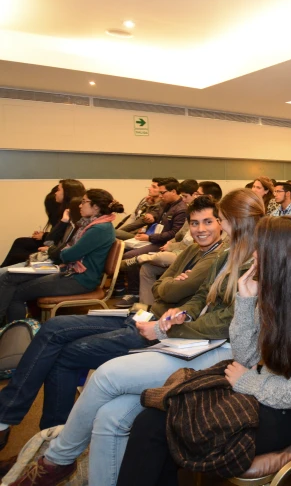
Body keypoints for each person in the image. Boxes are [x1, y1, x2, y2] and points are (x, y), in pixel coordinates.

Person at [8, 189, 265, 486]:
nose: (214, 227)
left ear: (235, 221)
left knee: (105, 376)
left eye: (219, 220)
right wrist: (183, 313)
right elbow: (198, 296)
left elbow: (226, 322)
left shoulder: (256, 261)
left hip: (223, 350)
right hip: (196, 337)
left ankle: (56, 460)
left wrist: (166, 327)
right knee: (110, 416)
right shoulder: (229, 253)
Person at [116, 217, 291, 485]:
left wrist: (247, 382)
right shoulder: (277, 291)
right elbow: (245, 357)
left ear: (279, 255)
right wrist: (245, 300)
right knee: (155, 420)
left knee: (163, 427)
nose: (253, 254)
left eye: (258, 248)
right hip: (261, 392)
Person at [0, 196, 223, 443]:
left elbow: (169, 292)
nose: (200, 229)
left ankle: (50, 439)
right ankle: (6, 416)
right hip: (142, 314)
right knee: (53, 327)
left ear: (221, 223)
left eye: (207, 222)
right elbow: (160, 287)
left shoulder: (217, 257)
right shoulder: (192, 249)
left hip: (159, 331)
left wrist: (170, 284)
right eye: (194, 223)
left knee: (66, 353)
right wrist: (170, 283)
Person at [0, 189, 121, 324]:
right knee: (10, 279)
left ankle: (15, 333)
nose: (80, 205)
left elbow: (69, 254)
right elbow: (66, 251)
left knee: (16, 293)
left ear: (96, 207)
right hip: (71, 272)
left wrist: (58, 251)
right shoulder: (92, 225)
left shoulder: (99, 229)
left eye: (84, 202)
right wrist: (60, 251)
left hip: (80, 280)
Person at [2, 180, 85, 267]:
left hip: (57, 254)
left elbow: (52, 241)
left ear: (67, 193)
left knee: (16, 256)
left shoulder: (74, 214)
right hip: (55, 250)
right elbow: (52, 239)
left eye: (59, 190)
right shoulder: (65, 211)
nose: (56, 193)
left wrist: (62, 222)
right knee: (20, 243)